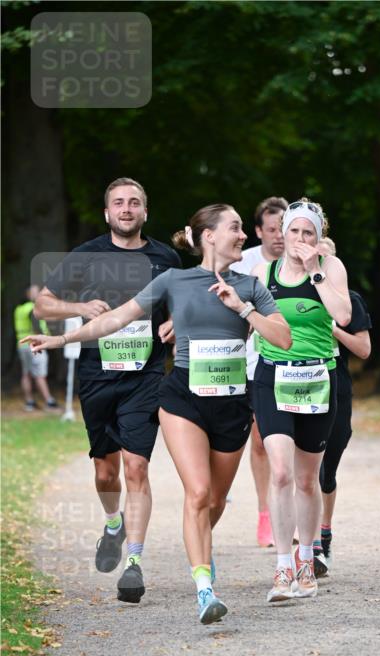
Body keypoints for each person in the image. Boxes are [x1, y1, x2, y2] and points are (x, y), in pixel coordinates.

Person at [23, 203, 290, 624]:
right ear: (209, 236)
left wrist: (242, 308)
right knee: (198, 493)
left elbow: (284, 338)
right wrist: (61, 341)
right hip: (182, 397)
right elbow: (116, 319)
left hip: (233, 403)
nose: (243, 236)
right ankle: (204, 590)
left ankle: (202, 545)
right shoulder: (174, 280)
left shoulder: (251, 286)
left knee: (215, 499)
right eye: (236, 228)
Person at [33, 178, 181, 604]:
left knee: (137, 466)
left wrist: (175, 326)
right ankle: (113, 524)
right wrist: (78, 308)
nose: (127, 209)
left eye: (135, 202)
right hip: (97, 375)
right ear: (107, 213)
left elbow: (179, 308)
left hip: (145, 376)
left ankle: (133, 564)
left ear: (145, 212)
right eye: (119, 203)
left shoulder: (164, 258)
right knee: (106, 471)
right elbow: (44, 303)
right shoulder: (87, 255)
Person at [252, 198, 352, 602]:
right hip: (272, 376)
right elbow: (249, 320)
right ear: (282, 234)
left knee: (307, 479)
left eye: (307, 232)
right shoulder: (265, 272)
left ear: (318, 237)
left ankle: (307, 560)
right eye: (292, 231)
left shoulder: (331, 269)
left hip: (317, 378)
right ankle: (281, 567)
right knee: (280, 473)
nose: (298, 238)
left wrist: (314, 273)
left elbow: (342, 315)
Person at [311, 237, 372, 577]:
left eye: (325, 260)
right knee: (297, 468)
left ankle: (325, 531)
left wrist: (334, 330)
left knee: (326, 470)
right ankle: (309, 544)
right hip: (296, 388)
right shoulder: (291, 298)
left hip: (336, 388)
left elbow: (363, 349)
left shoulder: (352, 302)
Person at [231, 196, 288, 547]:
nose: (279, 236)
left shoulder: (301, 261)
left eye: (283, 228)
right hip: (254, 361)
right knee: (259, 439)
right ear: (258, 232)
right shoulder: (245, 263)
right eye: (271, 229)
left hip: (296, 361)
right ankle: (265, 513)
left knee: (293, 441)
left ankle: (290, 511)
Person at [14, 285, 59, 411]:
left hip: (22, 344)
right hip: (33, 344)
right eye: (34, 292)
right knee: (40, 374)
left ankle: (29, 402)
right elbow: (35, 322)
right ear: (27, 293)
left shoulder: (19, 308)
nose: (37, 294)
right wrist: (42, 340)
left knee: (26, 373)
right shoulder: (31, 308)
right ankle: (49, 401)